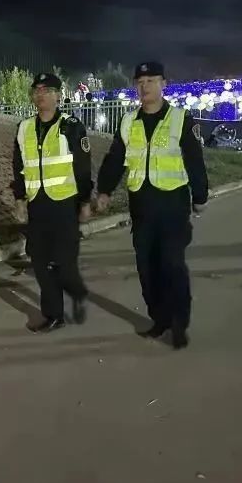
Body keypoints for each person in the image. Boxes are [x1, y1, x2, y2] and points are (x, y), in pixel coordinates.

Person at [95, 61, 208, 350]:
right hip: (142, 208)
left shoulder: (180, 119)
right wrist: (104, 190)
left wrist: (200, 196)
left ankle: (179, 323)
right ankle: (160, 319)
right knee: (147, 268)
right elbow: (115, 159)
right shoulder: (128, 122)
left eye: (151, 80)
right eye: (140, 82)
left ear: (163, 84)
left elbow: (194, 159)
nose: (145, 87)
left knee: (172, 264)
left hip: (173, 206)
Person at [11, 72, 93, 332]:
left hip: (65, 204)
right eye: (37, 90)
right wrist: (19, 198)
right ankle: (54, 315)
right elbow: (19, 166)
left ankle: (76, 291)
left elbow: (83, 168)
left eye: (47, 90)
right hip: (38, 204)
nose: (41, 95)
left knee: (64, 265)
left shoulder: (71, 126)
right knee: (39, 261)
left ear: (58, 96)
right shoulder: (24, 128)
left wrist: (85, 201)